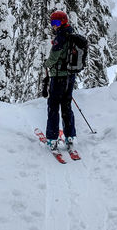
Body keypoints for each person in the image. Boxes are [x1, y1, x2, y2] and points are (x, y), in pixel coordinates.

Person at [43, 10, 76, 151]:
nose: (54, 26)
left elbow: (54, 57)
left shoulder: (60, 37)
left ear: (62, 22)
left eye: (55, 23)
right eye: (52, 23)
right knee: (67, 105)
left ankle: (52, 139)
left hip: (58, 77)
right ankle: (70, 137)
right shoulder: (72, 34)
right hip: (70, 76)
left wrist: (46, 64)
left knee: (53, 106)